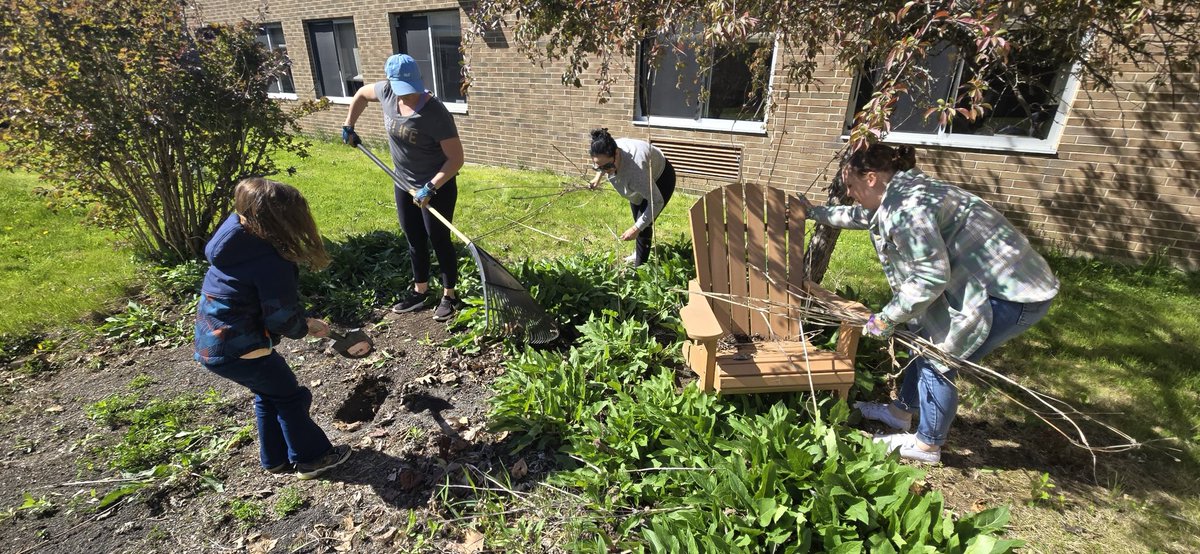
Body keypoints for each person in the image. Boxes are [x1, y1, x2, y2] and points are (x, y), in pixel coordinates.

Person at [798, 143, 1059, 463]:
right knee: (924, 342)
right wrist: (813, 211)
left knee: (938, 359)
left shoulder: (908, 209)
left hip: (1011, 293)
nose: (850, 194)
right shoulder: (899, 192)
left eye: (851, 186)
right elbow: (861, 215)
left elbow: (931, 278)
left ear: (870, 178)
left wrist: (886, 318)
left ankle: (927, 445)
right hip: (995, 281)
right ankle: (900, 413)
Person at [194, 178, 353, 480]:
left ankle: (275, 459)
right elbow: (280, 318)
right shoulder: (270, 262)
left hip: (211, 339)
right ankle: (313, 458)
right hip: (240, 344)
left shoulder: (233, 240)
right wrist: (305, 325)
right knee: (290, 397)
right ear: (282, 221)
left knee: (269, 393)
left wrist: (302, 322)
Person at [342, 53, 466, 322]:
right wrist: (349, 124)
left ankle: (449, 295)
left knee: (439, 239)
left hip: (437, 186)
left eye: (411, 90)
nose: (406, 96)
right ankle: (420, 290)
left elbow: (456, 159)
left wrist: (430, 187)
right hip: (402, 181)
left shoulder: (435, 113)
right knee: (413, 237)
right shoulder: (386, 92)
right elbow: (362, 94)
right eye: (402, 90)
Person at [587, 128, 676, 266]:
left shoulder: (636, 172)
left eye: (608, 166)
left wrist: (635, 229)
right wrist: (597, 176)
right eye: (599, 167)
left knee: (643, 223)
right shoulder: (606, 147)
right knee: (639, 218)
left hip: (661, 176)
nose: (605, 170)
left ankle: (640, 269)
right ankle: (639, 252)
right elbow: (603, 163)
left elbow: (656, 201)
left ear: (617, 153)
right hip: (640, 177)